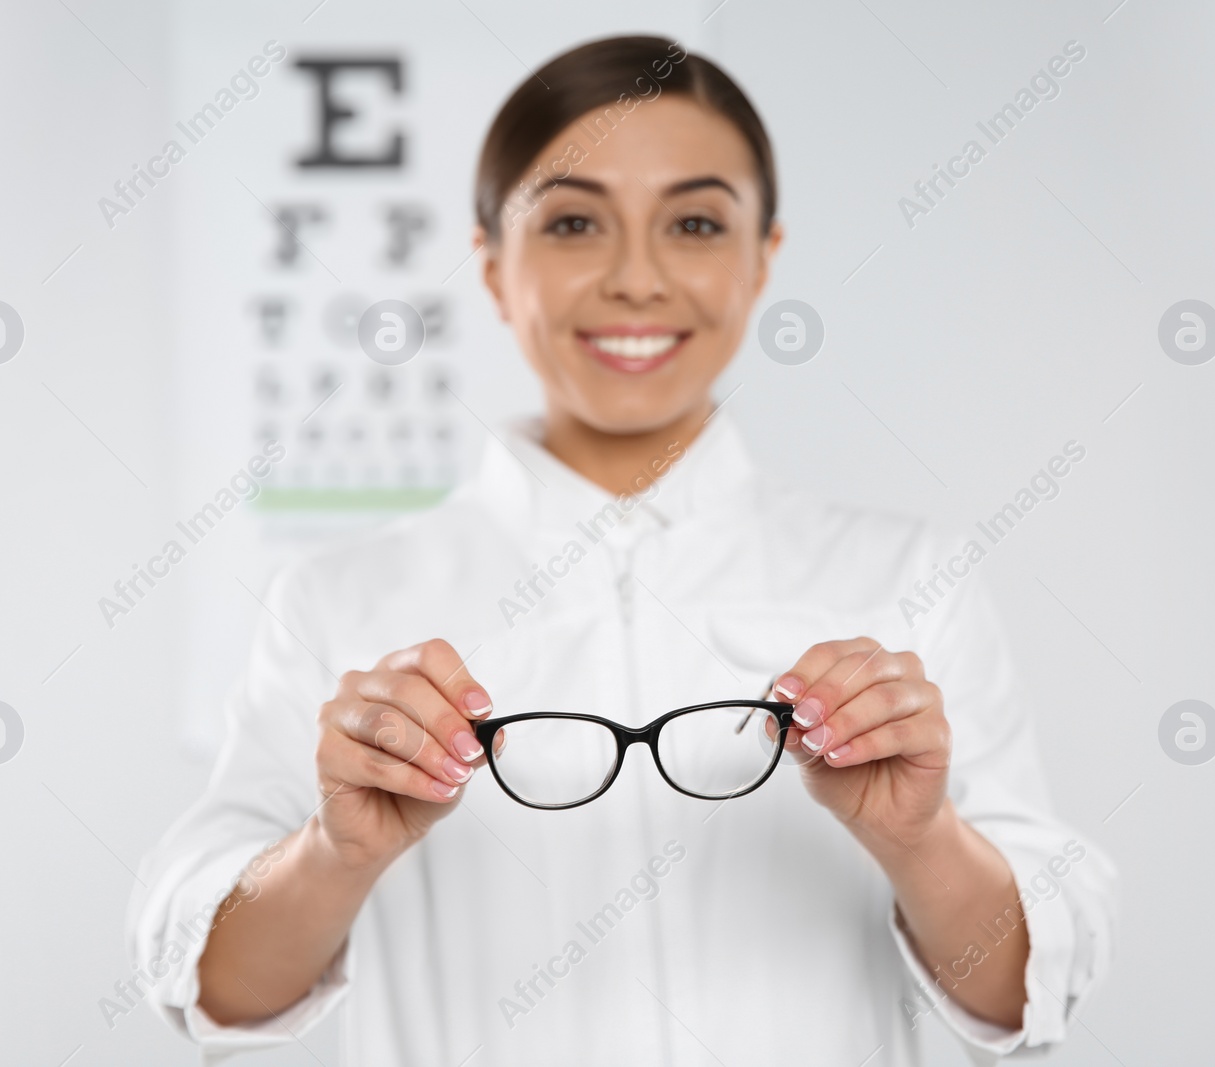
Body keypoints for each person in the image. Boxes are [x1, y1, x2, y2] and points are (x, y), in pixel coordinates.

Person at [128, 34, 1117, 1066]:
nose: (636, 278)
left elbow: (1027, 988)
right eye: (571, 223)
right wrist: (335, 852)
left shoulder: (905, 578)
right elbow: (214, 984)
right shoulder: (340, 601)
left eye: (692, 222)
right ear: (492, 268)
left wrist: (920, 840)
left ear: (761, 256)